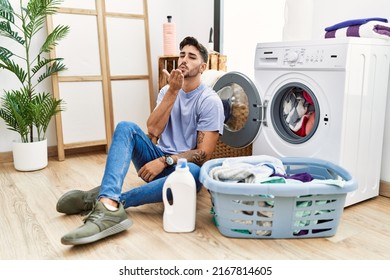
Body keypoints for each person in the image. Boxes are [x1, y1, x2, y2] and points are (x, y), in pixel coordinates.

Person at [57, 36, 225, 245]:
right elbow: (153, 130)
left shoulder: (210, 101)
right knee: (126, 127)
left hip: (181, 170)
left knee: (195, 172)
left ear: (202, 66)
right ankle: (108, 201)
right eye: (182, 55)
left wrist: (165, 161)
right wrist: (172, 92)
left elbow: (203, 155)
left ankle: (111, 201)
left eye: (191, 57)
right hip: (155, 160)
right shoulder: (167, 91)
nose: (184, 60)